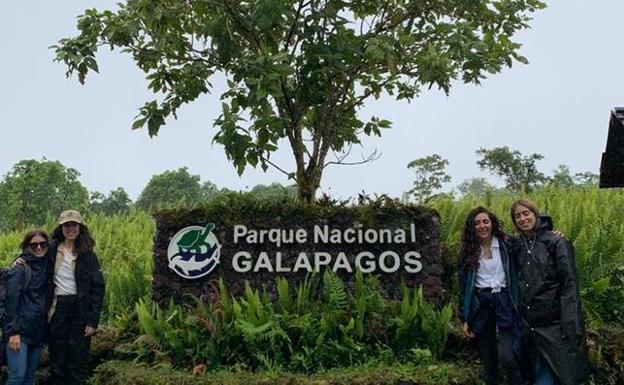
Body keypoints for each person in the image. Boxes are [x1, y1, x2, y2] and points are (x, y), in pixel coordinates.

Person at [510, 199, 589, 385]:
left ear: (535, 214)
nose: (523, 218)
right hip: (529, 322)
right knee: (536, 371)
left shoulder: (556, 242)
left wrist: (570, 322)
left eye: (526, 213)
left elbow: (569, 284)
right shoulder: (517, 245)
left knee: (560, 372)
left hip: (553, 322)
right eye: (517, 216)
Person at [458, 206, 523, 385]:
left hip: (504, 300)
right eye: (477, 223)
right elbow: (464, 287)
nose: (482, 226)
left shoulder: (507, 244)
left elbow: (531, 242)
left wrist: (551, 232)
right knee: (488, 360)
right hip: (482, 303)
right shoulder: (468, 251)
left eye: (485, 221)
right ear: (472, 227)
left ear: (492, 223)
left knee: (509, 356)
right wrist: (465, 317)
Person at [46, 210, 105, 385]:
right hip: (58, 308)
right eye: (67, 225)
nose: (70, 228)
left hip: (80, 310)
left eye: (74, 225)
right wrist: (18, 261)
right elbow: (32, 257)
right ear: (61, 227)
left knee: (78, 360)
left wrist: (92, 321)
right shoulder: (51, 249)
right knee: (57, 359)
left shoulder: (88, 254)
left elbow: (98, 288)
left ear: (80, 227)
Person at [4, 230, 50, 385]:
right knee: (17, 377)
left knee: (29, 377)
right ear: (26, 246)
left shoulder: (48, 266)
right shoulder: (20, 268)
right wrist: (13, 332)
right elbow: (11, 301)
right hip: (20, 332)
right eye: (34, 244)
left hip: (38, 332)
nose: (39, 247)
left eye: (43, 244)